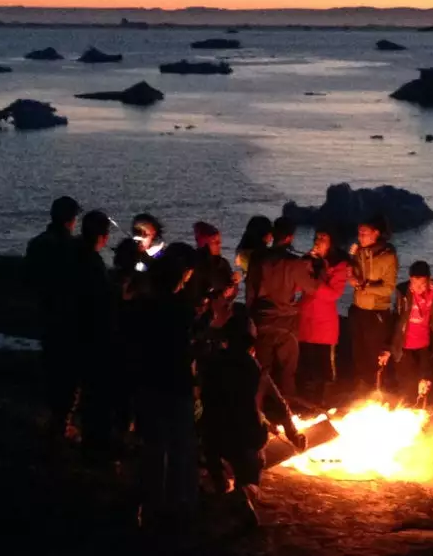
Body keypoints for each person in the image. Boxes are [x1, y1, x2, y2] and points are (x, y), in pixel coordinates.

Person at [122, 245, 199, 525]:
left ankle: (148, 499)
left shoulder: (143, 307)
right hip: (175, 383)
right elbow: (188, 348)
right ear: (178, 279)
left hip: (148, 381)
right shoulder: (181, 310)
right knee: (180, 444)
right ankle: (179, 501)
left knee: (152, 443)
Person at [249, 217, 322, 446]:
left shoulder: (258, 259)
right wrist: (319, 268)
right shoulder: (294, 263)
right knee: (286, 374)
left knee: (261, 375)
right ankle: (288, 423)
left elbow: (250, 293)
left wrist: (251, 322)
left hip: (261, 321)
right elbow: (313, 288)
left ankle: (256, 422)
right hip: (285, 325)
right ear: (290, 236)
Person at [198, 317, 268, 528]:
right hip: (243, 433)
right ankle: (243, 493)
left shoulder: (212, 362)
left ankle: (223, 489)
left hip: (213, 432)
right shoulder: (251, 366)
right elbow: (253, 402)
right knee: (253, 463)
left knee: (214, 454)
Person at [23, 194, 82, 446]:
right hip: (68, 319)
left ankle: (54, 420)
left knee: (52, 371)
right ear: (71, 219)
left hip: (46, 315)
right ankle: (62, 425)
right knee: (70, 375)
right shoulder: (70, 247)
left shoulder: (37, 244)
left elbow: (29, 278)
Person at [71, 210, 119, 461]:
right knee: (96, 392)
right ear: (101, 235)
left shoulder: (80, 258)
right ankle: (95, 444)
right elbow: (100, 299)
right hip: (93, 336)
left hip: (84, 333)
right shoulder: (90, 263)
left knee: (90, 390)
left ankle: (92, 439)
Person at [296, 228, 352, 405]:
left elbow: (333, 294)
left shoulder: (339, 266)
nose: (318, 240)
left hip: (324, 324)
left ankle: (320, 405)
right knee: (305, 367)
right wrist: (305, 267)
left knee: (323, 370)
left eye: (323, 238)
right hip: (304, 320)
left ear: (331, 243)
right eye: (317, 237)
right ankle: (304, 405)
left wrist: (314, 281)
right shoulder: (308, 260)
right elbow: (296, 286)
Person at [347, 216, 398, 394]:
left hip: (376, 312)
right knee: (358, 354)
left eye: (364, 233)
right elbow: (352, 272)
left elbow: (388, 288)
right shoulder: (360, 252)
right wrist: (350, 259)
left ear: (376, 233)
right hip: (358, 309)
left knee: (374, 356)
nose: (360, 236)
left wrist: (363, 286)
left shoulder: (388, 256)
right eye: (359, 233)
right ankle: (361, 391)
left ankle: (379, 392)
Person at [389, 260, 433, 399]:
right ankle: (408, 407)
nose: (418, 288)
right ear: (410, 280)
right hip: (405, 345)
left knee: (426, 380)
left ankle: (425, 408)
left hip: (425, 344)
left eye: (422, 284)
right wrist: (389, 346)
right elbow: (396, 318)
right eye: (415, 284)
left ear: (429, 280)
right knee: (407, 382)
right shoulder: (403, 292)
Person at [191, 221, 238, 328]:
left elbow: (232, 292)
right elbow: (198, 300)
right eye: (215, 242)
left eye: (219, 241)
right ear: (204, 243)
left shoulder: (223, 263)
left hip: (223, 319)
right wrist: (222, 295)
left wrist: (234, 283)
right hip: (206, 323)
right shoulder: (196, 266)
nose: (219, 245)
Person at [235, 215, 274, 301]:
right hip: (265, 298)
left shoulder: (242, 252)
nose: (272, 236)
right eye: (270, 231)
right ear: (263, 234)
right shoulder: (262, 255)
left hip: (251, 297)